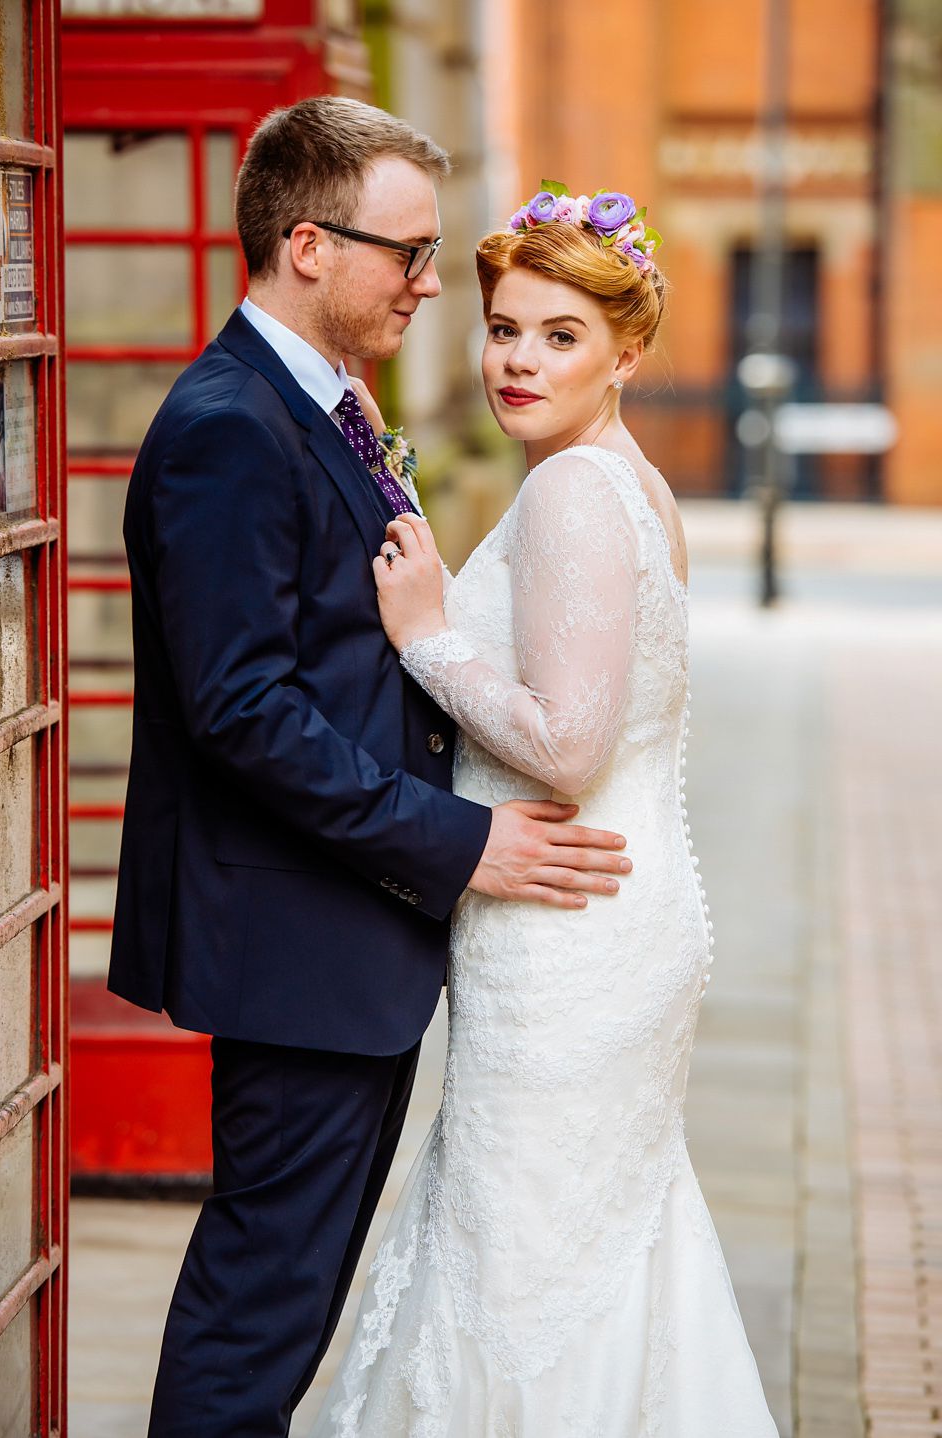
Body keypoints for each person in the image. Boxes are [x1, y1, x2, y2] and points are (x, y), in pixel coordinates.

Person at [108, 100, 634, 1438]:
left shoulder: (327, 403)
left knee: (292, 1299)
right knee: (259, 1307)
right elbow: (243, 712)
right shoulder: (230, 426)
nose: (422, 279)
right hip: (296, 944)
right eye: (400, 251)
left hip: (349, 934)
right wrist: (460, 842)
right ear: (304, 244)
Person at [310, 189, 779, 1436]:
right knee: (586, 1242)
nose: (518, 359)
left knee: (528, 1260)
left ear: (628, 353)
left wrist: (421, 637)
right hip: (605, 909)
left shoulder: (576, 492)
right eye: (505, 327)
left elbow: (568, 745)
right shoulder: (625, 481)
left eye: (560, 335)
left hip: (567, 921)